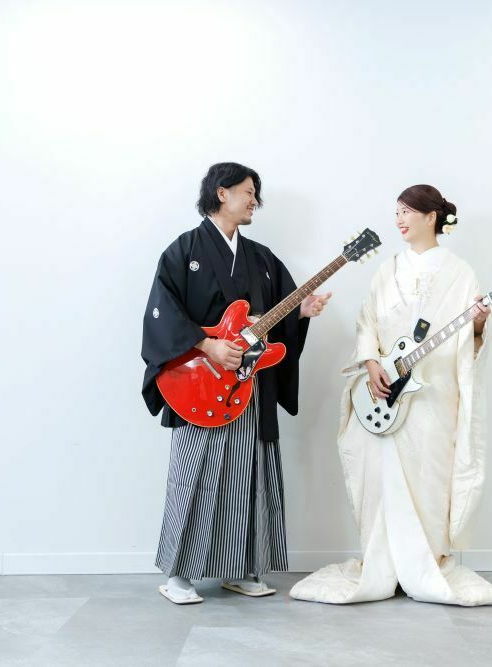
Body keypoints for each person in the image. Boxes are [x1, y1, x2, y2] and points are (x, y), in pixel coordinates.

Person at [290, 184, 492, 607]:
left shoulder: (460, 272)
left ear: (431, 217)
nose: (399, 220)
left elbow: (472, 335)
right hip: (386, 390)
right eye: (397, 212)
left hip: (434, 393)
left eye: (407, 211)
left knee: (429, 476)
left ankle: (423, 563)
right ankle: (384, 564)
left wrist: (480, 322)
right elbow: (367, 320)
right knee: (381, 478)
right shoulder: (387, 269)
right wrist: (371, 361)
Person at [142, 162, 330, 604]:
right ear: (221, 192)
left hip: (249, 385)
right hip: (199, 383)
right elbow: (162, 312)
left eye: (255, 195)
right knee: (196, 476)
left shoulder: (261, 258)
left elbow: (275, 322)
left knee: (251, 476)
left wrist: (301, 313)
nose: (254, 202)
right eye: (248, 192)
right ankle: (178, 575)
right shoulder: (183, 250)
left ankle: (242, 568)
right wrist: (207, 346)